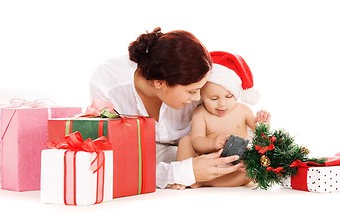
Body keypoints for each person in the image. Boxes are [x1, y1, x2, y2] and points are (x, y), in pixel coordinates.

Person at [90, 28, 242, 189]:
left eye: (200, 89)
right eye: (192, 91)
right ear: (160, 83)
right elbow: (113, 165)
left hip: (195, 151)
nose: (198, 98)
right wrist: (181, 172)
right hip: (141, 160)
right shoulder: (108, 85)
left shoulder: (195, 80)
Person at [173, 51, 271, 190]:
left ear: (236, 94)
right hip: (206, 165)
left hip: (234, 166)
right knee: (186, 141)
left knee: (250, 171)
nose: (222, 104)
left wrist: (262, 122)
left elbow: (260, 133)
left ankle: (202, 182)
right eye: (214, 98)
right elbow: (197, 141)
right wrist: (213, 143)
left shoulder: (243, 110)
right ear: (201, 95)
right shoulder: (200, 113)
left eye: (229, 96)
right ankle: (184, 176)